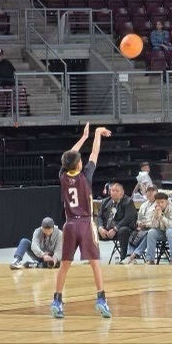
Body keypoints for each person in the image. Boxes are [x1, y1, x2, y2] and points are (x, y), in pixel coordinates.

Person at [50, 122, 112, 319]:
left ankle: (57, 300)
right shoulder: (86, 176)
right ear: (79, 164)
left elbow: (68, 155)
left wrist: (83, 137)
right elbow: (95, 153)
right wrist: (96, 134)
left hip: (69, 224)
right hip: (85, 223)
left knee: (65, 265)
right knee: (95, 263)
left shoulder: (62, 175)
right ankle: (101, 299)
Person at [97, 182, 137, 262]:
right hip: (106, 230)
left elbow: (128, 219)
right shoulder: (105, 201)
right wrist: (100, 228)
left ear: (122, 193)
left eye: (117, 191)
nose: (114, 192)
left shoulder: (128, 202)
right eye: (112, 190)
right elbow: (99, 217)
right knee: (91, 230)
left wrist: (115, 229)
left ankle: (123, 258)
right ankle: (93, 258)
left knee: (123, 230)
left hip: (122, 229)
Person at [121, 184, 158, 264]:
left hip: (153, 227)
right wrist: (139, 224)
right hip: (142, 227)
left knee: (148, 234)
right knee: (133, 233)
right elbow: (139, 218)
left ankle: (132, 256)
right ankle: (130, 256)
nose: (150, 193)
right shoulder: (143, 205)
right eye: (149, 191)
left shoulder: (158, 204)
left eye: (153, 191)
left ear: (157, 192)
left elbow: (156, 220)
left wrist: (146, 225)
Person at [144, 191, 172, 264]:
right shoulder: (155, 209)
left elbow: (171, 225)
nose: (160, 204)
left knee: (169, 231)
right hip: (164, 231)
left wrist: (161, 217)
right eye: (158, 202)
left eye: (162, 202)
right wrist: (155, 217)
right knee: (151, 232)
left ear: (167, 201)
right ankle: (150, 259)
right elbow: (153, 226)